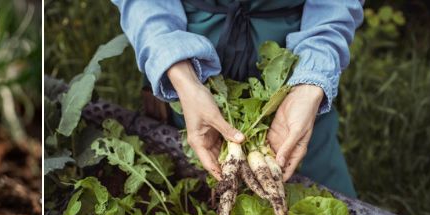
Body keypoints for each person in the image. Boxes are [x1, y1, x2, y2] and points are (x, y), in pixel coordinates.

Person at [111, 0, 363, 196]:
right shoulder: (182, 73)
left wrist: (311, 82)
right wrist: (179, 71)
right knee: (186, 191)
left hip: (294, 65)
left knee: (327, 205)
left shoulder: (303, 78)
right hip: (189, 63)